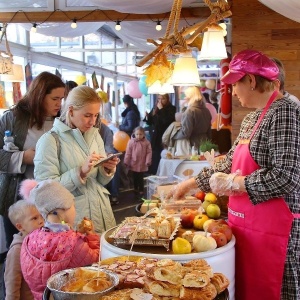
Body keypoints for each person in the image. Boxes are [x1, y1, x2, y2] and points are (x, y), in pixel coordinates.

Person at [168, 49, 300, 300]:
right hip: (247, 228)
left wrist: (237, 184)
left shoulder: (285, 111)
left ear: (251, 80)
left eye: (235, 84)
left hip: (273, 232)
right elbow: (229, 163)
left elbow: (287, 176)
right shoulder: (252, 118)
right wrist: (193, 181)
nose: (232, 91)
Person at [34, 85, 118, 234]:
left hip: (103, 214)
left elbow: (100, 181)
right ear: (71, 111)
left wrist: (107, 169)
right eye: (87, 115)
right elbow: (45, 193)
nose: (92, 121)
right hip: (73, 223)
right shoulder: (49, 141)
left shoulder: (94, 135)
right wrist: (80, 172)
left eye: (96, 115)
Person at [0, 71, 65, 250]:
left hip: (52, 200)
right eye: (55, 98)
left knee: (50, 251)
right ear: (39, 96)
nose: (59, 104)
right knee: (19, 253)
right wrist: (23, 157)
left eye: (62, 98)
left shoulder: (62, 122)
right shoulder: (12, 119)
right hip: (19, 200)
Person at [19, 179, 100, 300]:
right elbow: (96, 261)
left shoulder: (29, 239)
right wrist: (91, 236)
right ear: (63, 210)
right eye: (73, 205)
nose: (75, 210)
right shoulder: (74, 242)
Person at [4, 200, 44, 300]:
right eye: (34, 218)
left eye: (41, 216)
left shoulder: (43, 242)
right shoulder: (17, 250)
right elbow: (12, 283)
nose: (41, 221)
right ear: (20, 226)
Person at [143, 94, 176, 174]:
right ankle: (154, 173)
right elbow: (150, 122)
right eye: (159, 99)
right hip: (155, 136)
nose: (160, 101)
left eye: (163, 99)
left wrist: (161, 109)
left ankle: (163, 173)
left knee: (164, 156)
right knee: (155, 157)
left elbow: (167, 121)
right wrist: (147, 117)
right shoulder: (155, 108)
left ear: (167, 99)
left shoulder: (171, 108)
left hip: (165, 136)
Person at [172, 86, 212, 151]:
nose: (185, 97)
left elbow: (186, 133)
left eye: (186, 95)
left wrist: (173, 136)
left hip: (193, 145)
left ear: (191, 96)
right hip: (205, 143)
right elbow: (209, 132)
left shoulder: (190, 111)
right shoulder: (206, 110)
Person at [124, 126, 152, 196]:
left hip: (142, 163)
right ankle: (135, 188)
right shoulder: (131, 142)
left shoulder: (146, 142)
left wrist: (148, 160)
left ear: (143, 134)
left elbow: (149, 152)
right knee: (135, 177)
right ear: (134, 134)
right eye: (137, 134)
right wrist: (126, 161)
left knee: (141, 178)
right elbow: (128, 152)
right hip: (134, 163)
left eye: (140, 134)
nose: (139, 136)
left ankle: (141, 190)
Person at [98, 120, 121, 205]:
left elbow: (109, 147)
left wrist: (108, 156)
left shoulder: (105, 129)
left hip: (103, 155)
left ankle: (113, 195)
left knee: (113, 165)